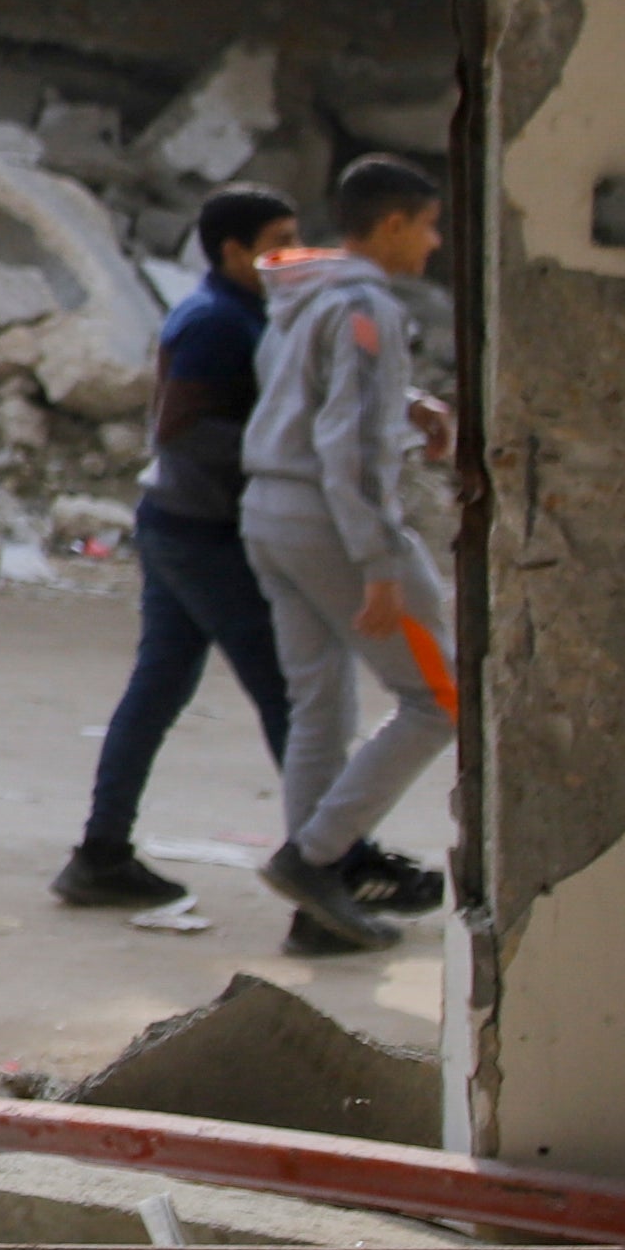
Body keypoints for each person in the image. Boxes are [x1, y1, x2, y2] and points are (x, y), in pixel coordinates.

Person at [56, 187, 313, 911]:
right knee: (286, 692)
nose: (293, 253)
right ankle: (328, 858)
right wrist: (286, 450)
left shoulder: (244, 313)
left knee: (159, 688)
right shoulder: (215, 322)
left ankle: (102, 852)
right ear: (234, 252)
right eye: (279, 240)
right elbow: (182, 430)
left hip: (179, 524)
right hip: (203, 535)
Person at [245, 158, 461, 955]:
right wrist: (378, 563)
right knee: (441, 697)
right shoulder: (368, 305)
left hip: (269, 510)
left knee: (321, 708)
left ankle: (320, 904)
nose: (435, 245)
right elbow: (352, 443)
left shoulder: (305, 294)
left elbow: (306, 392)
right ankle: (316, 857)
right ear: (394, 225)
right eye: (430, 227)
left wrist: (408, 405)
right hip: (332, 524)